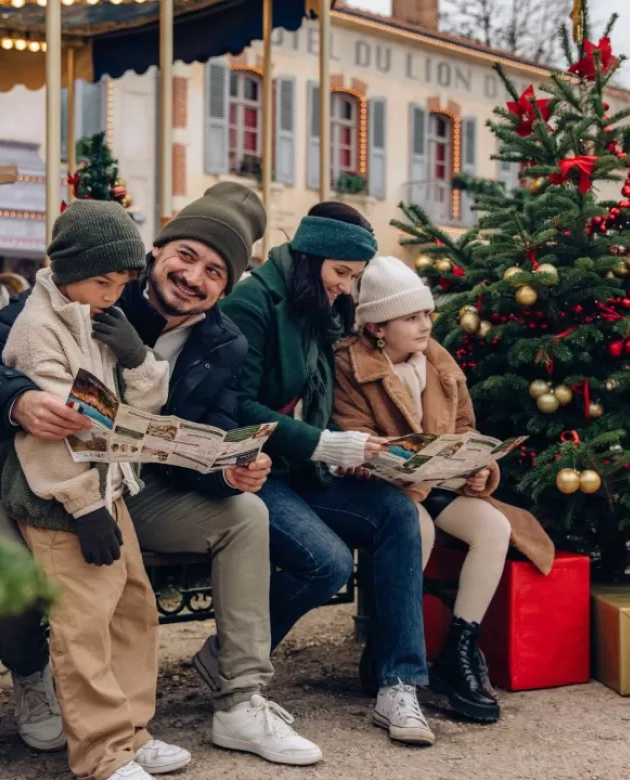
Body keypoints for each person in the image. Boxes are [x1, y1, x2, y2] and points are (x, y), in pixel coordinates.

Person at [0, 182, 323, 768]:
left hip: (137, 489)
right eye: (186, 256)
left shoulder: (222, 341)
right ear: (157, 252)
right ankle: (33, 675)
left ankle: (238, 699)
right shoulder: (89, 291)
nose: (193, 277)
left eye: (215, 272)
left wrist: (231, 469)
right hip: (45, 482)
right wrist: (18, 400)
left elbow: (212, 430)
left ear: (226, 287)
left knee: (246, 515)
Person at [215, 203, 436, 748]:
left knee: (397, 513)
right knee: (326, 562)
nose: (345, 287)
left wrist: (350, 452)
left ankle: (398, 684)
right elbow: (237, 406)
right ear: (310, 257)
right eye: (341, 272)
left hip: (302, 468)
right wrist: (326, 444)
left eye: (354, 277)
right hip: (255, 472)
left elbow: (313, 403)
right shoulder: (252, 302)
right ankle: (228, 659)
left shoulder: (316, 305)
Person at [0, 200, 181, 780]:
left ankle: (131, 732)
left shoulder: (94, 316)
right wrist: (83, 506)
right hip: (62, 505)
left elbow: (140, 410)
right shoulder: (38, 331)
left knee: (132, 611)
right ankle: (102, 752)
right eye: (104, 282)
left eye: (123, 284)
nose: (114, 295)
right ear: (70, 267)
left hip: (111, 490)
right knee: (83, 626)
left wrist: (136, 355)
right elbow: (50, 434)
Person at [333, 255, 556, 723]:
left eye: (427, 314)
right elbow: (350, 439)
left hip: (438, 483)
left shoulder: (439, 361)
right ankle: (390, 644)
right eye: (411, 317)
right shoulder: (349, 366)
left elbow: (466, 430)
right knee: (416, 529)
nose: (425, 325)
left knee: (493, 527)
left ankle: (459, 650)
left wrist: (478, 469)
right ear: (377, 327)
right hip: (386, 490)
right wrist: (385, 461)